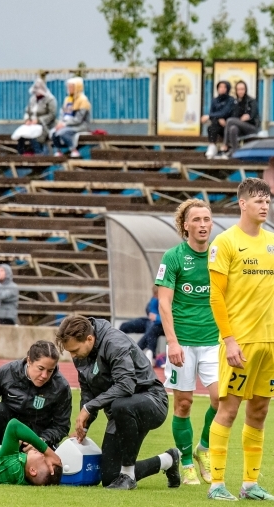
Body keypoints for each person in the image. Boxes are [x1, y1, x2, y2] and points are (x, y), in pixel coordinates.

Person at [206, 177, 274, 501]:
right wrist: (228, 339)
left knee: (260, 412)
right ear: (242, 203)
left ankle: (249, 484)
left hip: (270, 343)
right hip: (240, 341)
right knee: (228, 410)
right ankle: (216, 484)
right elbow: (216, 296)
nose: (265, 205)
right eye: (258, 200)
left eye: (267, 200)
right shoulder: (225, 243)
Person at [56, 315, 180, 490]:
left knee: (121, 405)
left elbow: (126, 385)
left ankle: (129, 475)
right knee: (110, 477)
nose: (73, 356)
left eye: (75, 350)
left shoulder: (114, 342)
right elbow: (87, 390)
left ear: (90, 338)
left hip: (152, 401)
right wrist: (84, 426)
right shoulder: (81, 352)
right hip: (120, 411)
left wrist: (89, 408)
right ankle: (168, 460)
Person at [155, 199, 219, 486]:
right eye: (197, 220)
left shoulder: (220, 255)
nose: (203, 224)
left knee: (222, 400)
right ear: (185, 225)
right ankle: (187, 460)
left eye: (207, 219)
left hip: (213, 340)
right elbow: (164, 304)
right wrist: (172, 342)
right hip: (182, 342)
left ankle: (204, 448)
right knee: (183, 404)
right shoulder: (173, 257)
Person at [0, 341, 71, 446]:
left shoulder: (61, 387)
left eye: (50, 370)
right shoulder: (5, 373)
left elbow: (61, 426)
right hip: (10, 436)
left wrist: (41, 441)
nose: (44, 375)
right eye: (40, 368)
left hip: (40, 440)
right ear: (29, 361)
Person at [13, 78, 57, 155]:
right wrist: (27, 120)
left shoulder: (50, 100)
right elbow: (27, 111)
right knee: (21, 134)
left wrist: (38, 120)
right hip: (32, 124)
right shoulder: (32, 99)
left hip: (45, 126)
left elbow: (52, 115)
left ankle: (39, 153)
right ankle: (21, 153)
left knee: (34, 135)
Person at [119, 286, 164, 362]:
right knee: (124, 326)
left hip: (162, 326)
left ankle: (138, 352)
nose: (155, 296)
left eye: (156, 295)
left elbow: (172, 319)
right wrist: (155, 318)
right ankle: (118, 349)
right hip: (151, 322)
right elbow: (151, 313)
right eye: (154, 295)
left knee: (152, 329)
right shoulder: (155, 299)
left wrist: (157, 318)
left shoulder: (171, 300)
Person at [51, 77, 91, 158]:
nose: (69, 89)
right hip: (66, 124)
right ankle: (58, 151)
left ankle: (73, 150)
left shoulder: (83, 100)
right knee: (53, 132)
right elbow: (62, 113)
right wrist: (60, 123)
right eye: (68, 87)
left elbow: (78, 120)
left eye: (71, 87)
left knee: (63, 132)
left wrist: (64, 125)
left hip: (80, 125)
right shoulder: (68, 99)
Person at [220, 80, 260, 157]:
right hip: (240, 127)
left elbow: (252, 116)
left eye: (242, 89)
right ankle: (235, 151)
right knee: (233, 128)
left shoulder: (251, 101)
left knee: (230, 120)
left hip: (251, 127)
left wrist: (245, 118)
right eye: (238, 89)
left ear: (245, 90)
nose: (240, 91)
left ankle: (225, 144)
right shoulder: (236, 102)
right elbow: (235, 116)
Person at [201, 81, 235, 159]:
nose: (222, 89)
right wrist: (218, 117)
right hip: (217, 125)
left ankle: (216, 147)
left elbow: (225, 112)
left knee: (214, 122)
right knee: (212, 125)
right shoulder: (215, 100)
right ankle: (212, 146)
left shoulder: (231, 100)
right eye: (220, 87)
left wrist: (209, 116)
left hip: (227, 126)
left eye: (224, 87)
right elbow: (212, 113)